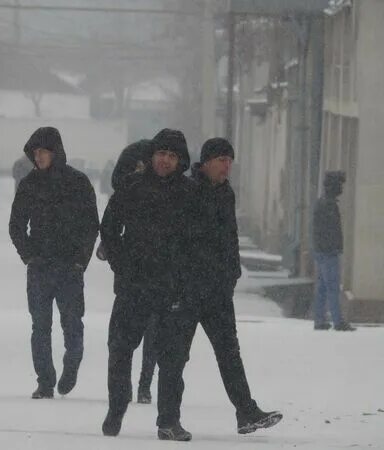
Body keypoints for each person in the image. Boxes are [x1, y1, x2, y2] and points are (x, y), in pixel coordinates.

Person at [101, 129, 197, 441]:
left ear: (180, 160)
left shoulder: (189, 194)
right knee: (120, 348)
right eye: (160, 154)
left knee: (172, 358)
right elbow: (110, 228)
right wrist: (121, 264)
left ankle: (169, 420)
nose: (165, 160)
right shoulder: (132, 188)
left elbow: (199, 241)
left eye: (171, 156)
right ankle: (116, 407)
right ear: (151, 156)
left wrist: (186, 277)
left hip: (172, 288)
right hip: (134, 284)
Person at [187, 137, 282, 434]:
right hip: (189, 288)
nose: (227, 166)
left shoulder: (226, 194)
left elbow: (230, 237)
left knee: (229, 352)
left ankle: (246, 411)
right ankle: (168, 416)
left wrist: (232, 273)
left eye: (230, 161)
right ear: (206, 163)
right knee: (176, 354)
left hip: (217, 290)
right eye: (222, 160)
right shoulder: (188, 192)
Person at [9, 127, 99, 399]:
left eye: (43, 152)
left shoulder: (78, 182)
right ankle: (45, 381)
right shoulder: (29, 184)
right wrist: (28, 254)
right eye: (35, 153)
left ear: (55, 152)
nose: (38, 158)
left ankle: (72, 362)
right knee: (40, 325)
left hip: (69, 267)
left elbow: (91, 225)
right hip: (39, 267)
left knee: (72, 322)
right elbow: (16, 224)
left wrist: (80, 261)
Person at [96, 139, 157, 405]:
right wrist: (119, 261)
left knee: (152, 332)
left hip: (155, 276)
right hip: (130, 276)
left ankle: (144, 383)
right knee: (122, 335)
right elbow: (110, 231)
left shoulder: (165, 195)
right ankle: (124, 385)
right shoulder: (123, 195)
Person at [312, 171, 355, 331]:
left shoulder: (322, 203)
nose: (341, 189)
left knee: (323, 287)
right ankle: (338, 321)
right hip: (328, 252)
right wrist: (334, 248)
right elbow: (329, 231)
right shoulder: (328, 205)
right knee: (332, 287)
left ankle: (319, 319)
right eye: (340, 185)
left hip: (322, 251)